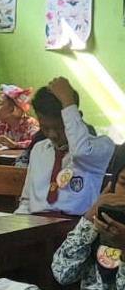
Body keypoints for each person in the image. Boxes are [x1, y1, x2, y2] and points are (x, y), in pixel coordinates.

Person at [15, 77, 114, 216]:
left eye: (60, 127)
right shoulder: (39, 149)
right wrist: (17, 222)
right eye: (45, 128)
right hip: (36, 223)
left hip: (76, 223)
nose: (52, 134)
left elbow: (80, 153)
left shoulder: (101, 146)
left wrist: (68, 102)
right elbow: (27, 200)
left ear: (74, 117)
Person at [52, 145, 125, 290]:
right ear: (112, 183)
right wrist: (89, 217)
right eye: (124, 183)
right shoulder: (98, 222)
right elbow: (62, 273)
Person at [0, 84, 40, 149]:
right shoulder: (4, 125)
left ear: (13, 110)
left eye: (0, 104)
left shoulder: (30, 124)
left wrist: (15, 145)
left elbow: (38, 142)